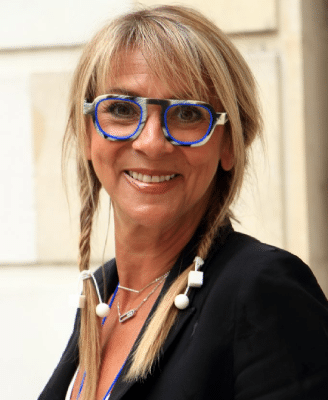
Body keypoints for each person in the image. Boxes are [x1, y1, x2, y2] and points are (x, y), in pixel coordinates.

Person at [38, 5, 328, 400]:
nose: (152, 142)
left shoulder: (260, 290)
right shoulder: (105, 295)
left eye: (188, 114)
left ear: (229, 144)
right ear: (89, 132)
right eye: (122, 109)